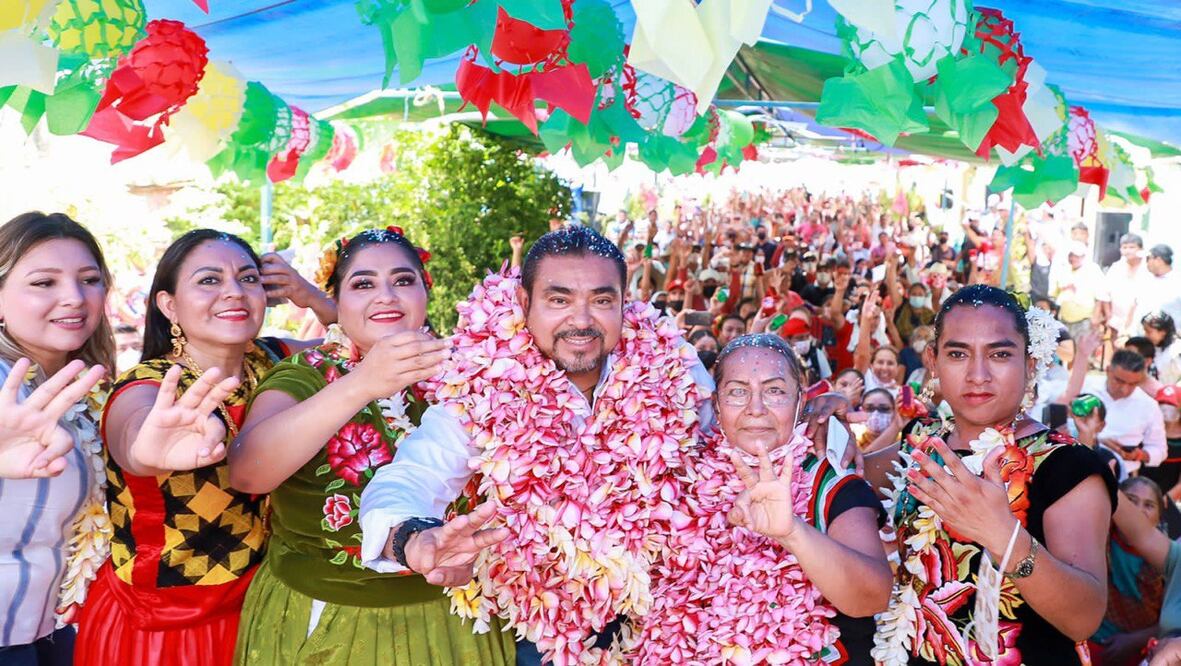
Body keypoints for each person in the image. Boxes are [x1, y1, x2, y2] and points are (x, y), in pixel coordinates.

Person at [358, 226, 715, 665]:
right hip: (544, 634)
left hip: (672, 621)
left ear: (626, 303)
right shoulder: (482, 383)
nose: (581, 320)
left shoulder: (675, 369)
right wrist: (411, 539)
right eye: (559, 300)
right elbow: (411, 477)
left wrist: (814, 413)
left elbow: (726, 448)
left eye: (602, 301)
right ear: (524, 303)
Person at [228, 228, 514, 665]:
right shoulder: (304, 374)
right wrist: (364, 383)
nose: (386, 296)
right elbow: (249, 470)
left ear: (424, 293)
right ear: (337, 303)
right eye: (363, 284)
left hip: (452, 618)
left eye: (403, 280)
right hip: (326, 619)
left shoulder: (469, 373)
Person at [816, 285, 1116, 665]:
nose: (978, 375)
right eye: (958, 354)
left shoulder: (1067, 466)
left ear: (1031, 364)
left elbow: (1084, 618)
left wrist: (1003, 537)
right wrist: (825, 418)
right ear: (933, 361)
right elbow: (846, 472)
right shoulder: (922, 443)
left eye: (1000, 354)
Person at [74, 230, 325, 665]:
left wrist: (314, 297)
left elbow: (370, 342)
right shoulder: (148, 385)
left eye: (248, 279)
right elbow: (134, 430)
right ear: (169, 305)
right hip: (165, 633)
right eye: (209, 280)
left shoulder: (270, 359)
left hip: (261, 608)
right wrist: (144, 450)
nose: (233, 292)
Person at [632, 334, 891, 663]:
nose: (756, 409)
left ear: (800, 402)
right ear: (716, 403)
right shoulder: (677, 479)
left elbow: (873, 597)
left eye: (774, 391)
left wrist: (793, 533)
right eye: (738, 392)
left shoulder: (830, 483)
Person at [0, 212, 112, 666]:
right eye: (44, 282)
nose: (74, 298)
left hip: (52, 634)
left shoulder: (77, 387)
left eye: (89, 279)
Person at [1094, 477, 1168, 666]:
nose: (1138, 511)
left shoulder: (1166, 559)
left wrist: (1135, 640)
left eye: (1149, 505)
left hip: (1141, 652)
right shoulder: (1099, 534)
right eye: (1131, 501)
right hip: (1088, 643)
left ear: (1159, 516)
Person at [1070, 349, 1168, 478]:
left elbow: (1160, 450)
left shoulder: (1149, 405)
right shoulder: (1085, 386)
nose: (1124, 389)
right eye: (1119, 381)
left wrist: (1138, 455)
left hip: (1121, 476)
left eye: (1133, 384)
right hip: (1075, 464)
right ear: (1108, 370)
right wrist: (1095, 440)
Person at [1051, 241, 1108, 343]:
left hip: (1084, 320)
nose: (1074, 259)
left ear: (1084, 256)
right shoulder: (1063, 269)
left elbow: (1101, 296)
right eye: (1072, 256)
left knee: (1081, 352)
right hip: (1064, 319)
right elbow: (1055, 293)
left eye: (1077, 256)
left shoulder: (1093, 270)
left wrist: (1095, 317)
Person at [1104, 233, 1150, 343]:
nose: (1128, 251)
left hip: (1140, 323)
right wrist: (1108, 316)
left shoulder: (1148, 268)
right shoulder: (1116, 268)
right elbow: (1105, 294)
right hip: (1116, 321)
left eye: (1132, 247)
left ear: (1141, 249)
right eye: (1124, 247)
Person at [1138, 245, 1181, 332]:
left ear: (1158, 260)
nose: (1146, 263)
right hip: (1145, 337)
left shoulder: (1177, 282)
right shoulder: (1145, 280)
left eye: (1148, 259)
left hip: (1172, 338)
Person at [1144, 312, 1181, 386]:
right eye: (1145, 331)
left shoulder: (1177, 351)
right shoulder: (1145, 346)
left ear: (1163, 332)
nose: (1145, 335)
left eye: (1149, 332)